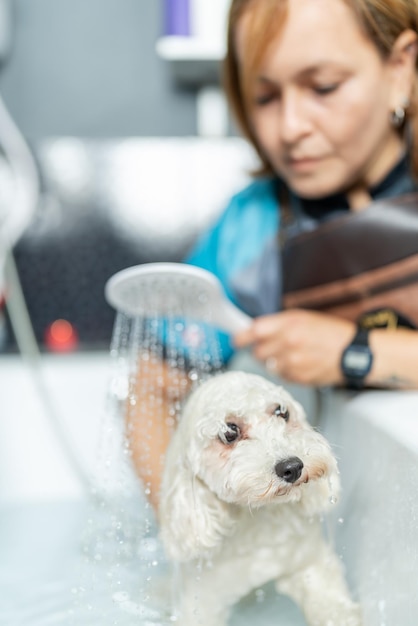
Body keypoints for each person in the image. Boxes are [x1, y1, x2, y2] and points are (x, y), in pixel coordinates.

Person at [128, 0, 418, 509]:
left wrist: (355, 353)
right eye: (264, 96)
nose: (288, 128)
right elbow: (152, 391)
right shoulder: (251, 226)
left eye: (323, 87)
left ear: (401, 68)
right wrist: (189, 528)